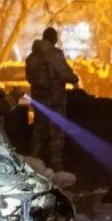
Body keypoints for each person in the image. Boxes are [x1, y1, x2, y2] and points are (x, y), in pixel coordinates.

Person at [26, 27, 80, 171]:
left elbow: (29, 78)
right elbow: (67, 75)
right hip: (55, 102)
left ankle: (32, 167)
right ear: (54, 38)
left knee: (38, 134)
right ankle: (56, 169)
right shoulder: (55, 55)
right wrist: (74, 79)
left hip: (39, 102)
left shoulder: (32, 57)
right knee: (56, 137)